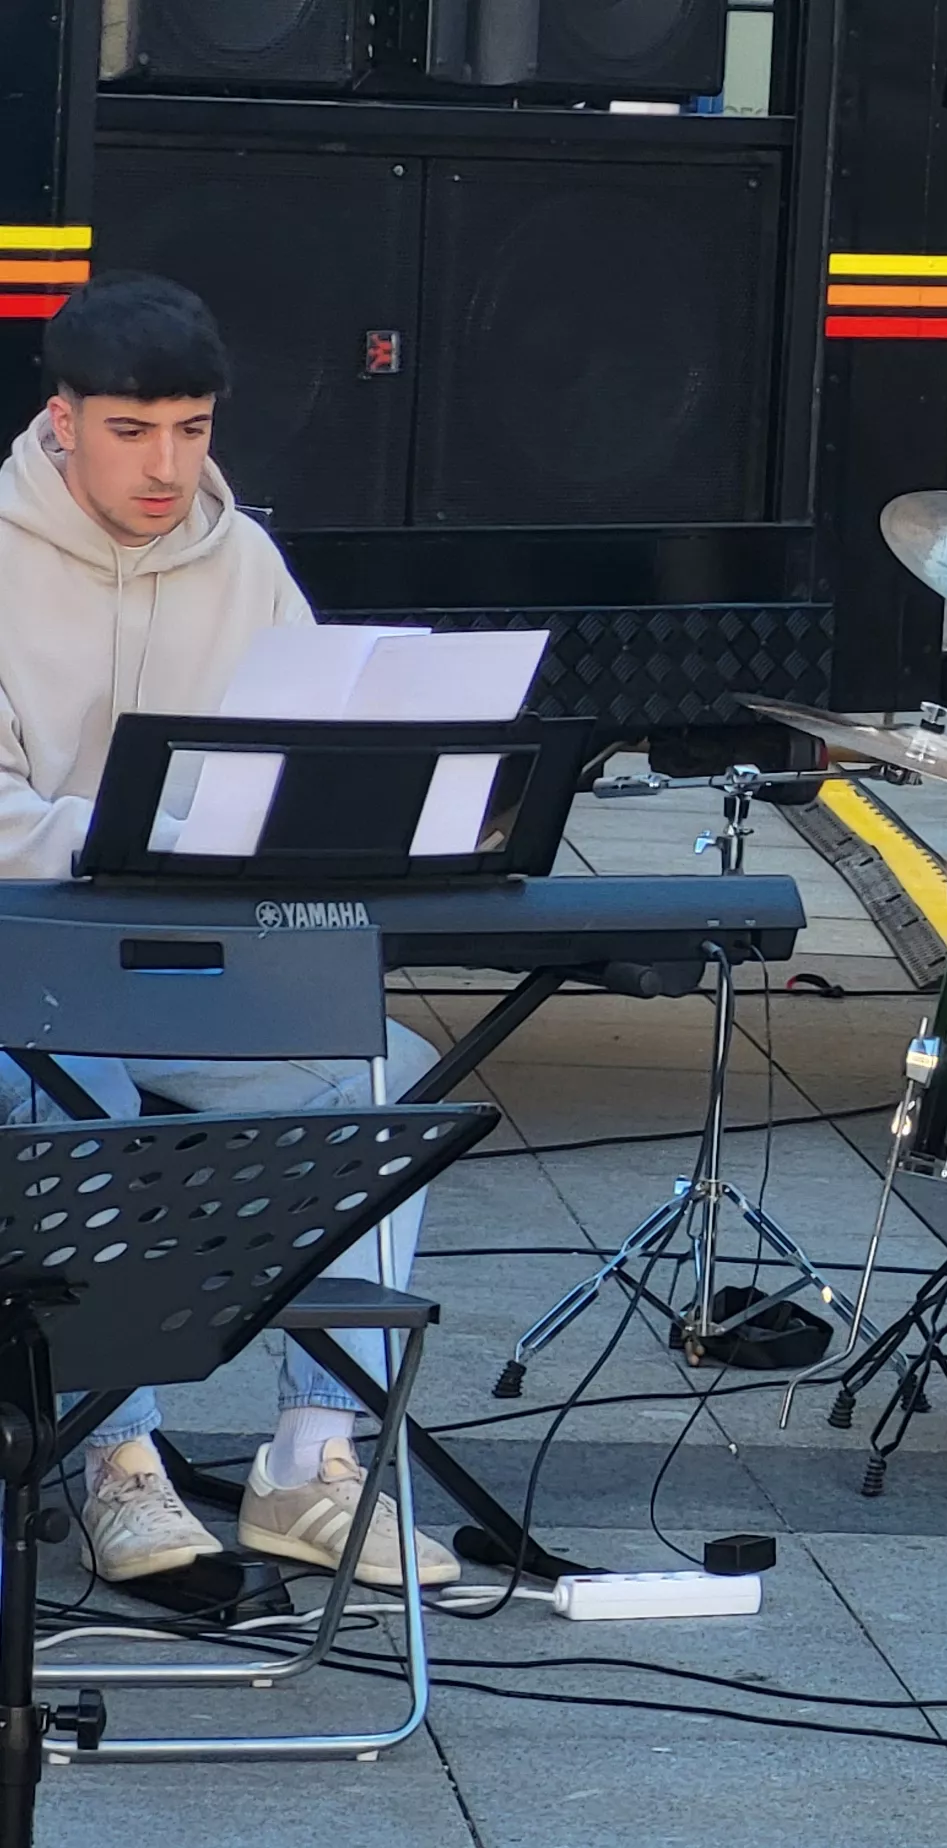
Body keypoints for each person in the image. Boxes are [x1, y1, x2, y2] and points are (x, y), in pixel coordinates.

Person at [0, 273, 455, 1591]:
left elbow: (306, 749)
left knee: (381, 1070)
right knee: (57, 1086)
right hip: (24, 967)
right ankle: (116, 1464)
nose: (167, 464)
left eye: (192, 429)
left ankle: (313, 1463)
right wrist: (130, 829)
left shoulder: (240, 554)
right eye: (135, 431)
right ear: (62, 419)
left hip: (192, 968)